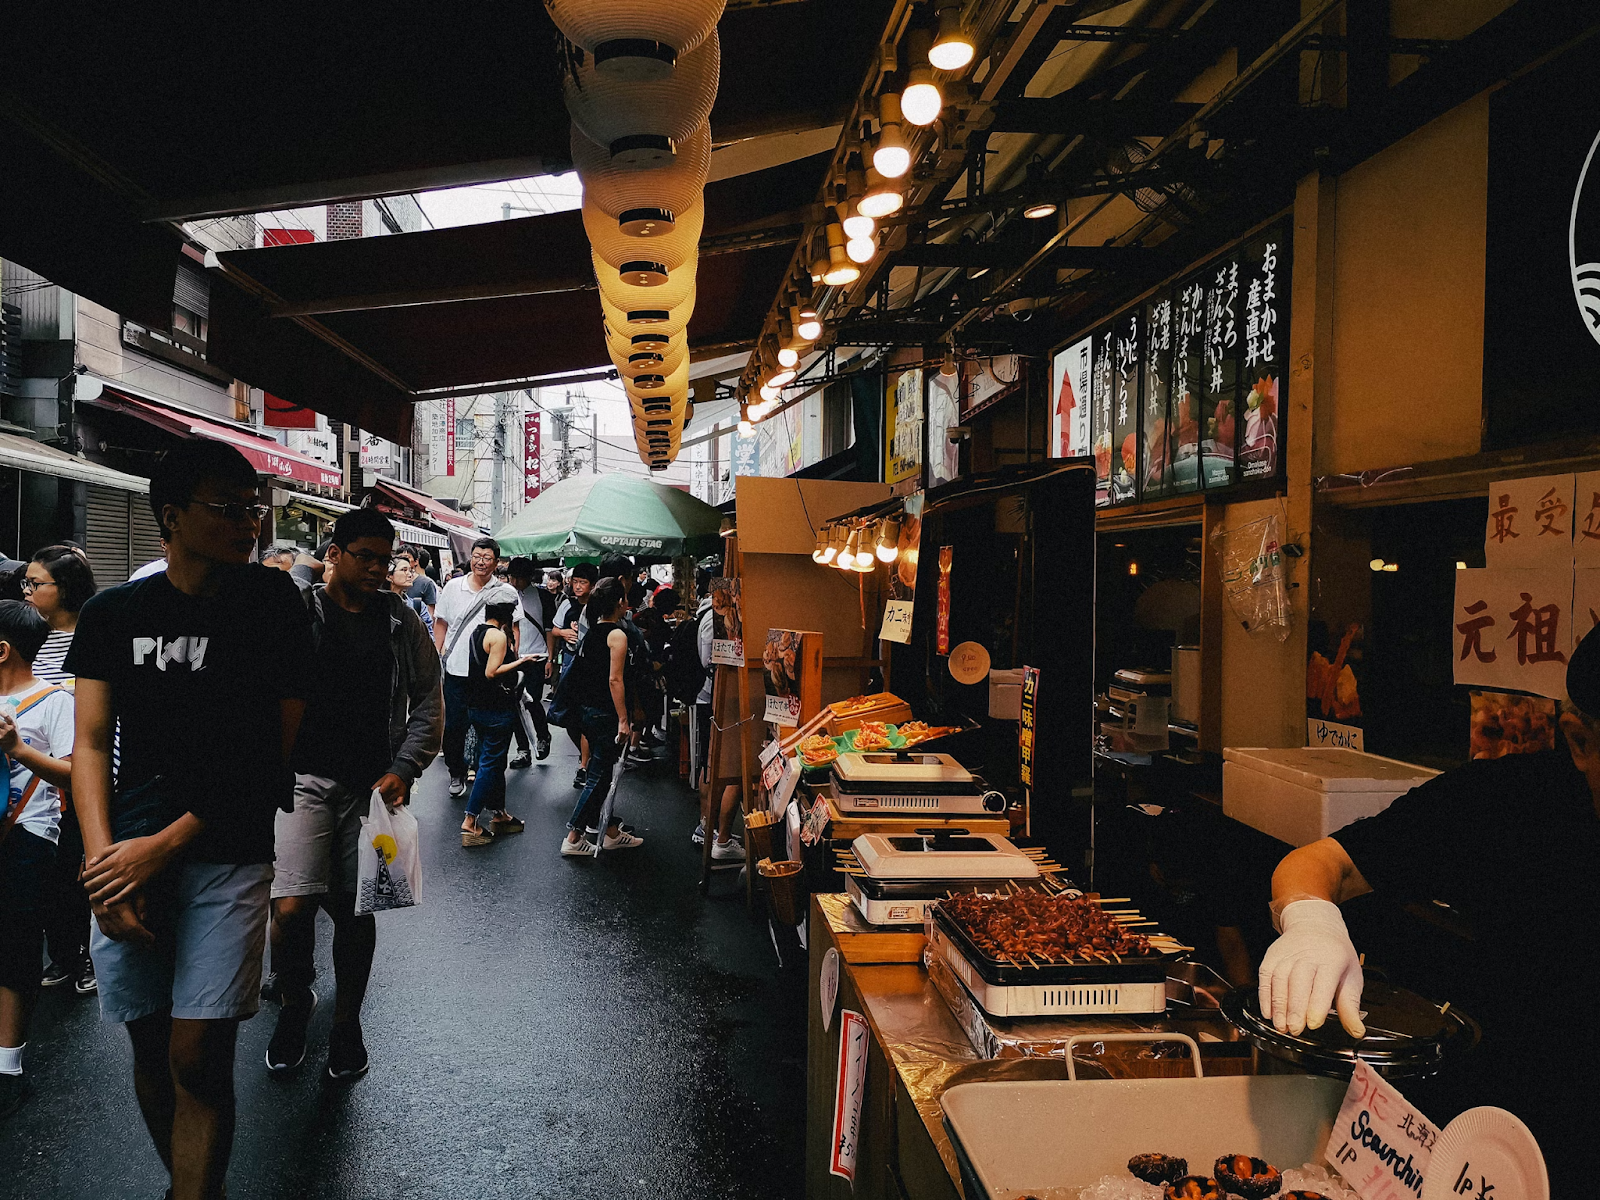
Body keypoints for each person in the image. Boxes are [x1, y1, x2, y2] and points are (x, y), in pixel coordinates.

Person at [1258, 632, 1600, 1194]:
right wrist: (1311, 921)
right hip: (1493, 1150)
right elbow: (1323, 863)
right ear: (1580, 742)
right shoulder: (1509, 802)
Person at [67, 438, 314, 1200]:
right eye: (229, 509)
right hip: (128, 853)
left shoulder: (273, 605)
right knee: (149, 1046)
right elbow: (88, 742)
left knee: (197, 1054)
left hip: (225, 851)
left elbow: (273, 750)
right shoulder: (114, 613)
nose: (249, 523)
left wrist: (162, 848)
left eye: (254, 509)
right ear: (171, 517)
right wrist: (106, 864)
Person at [266, 507, 441, 1078]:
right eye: (364, 556)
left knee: (356, 908)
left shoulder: (399, 621)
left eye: (384, 559)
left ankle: (347, 1023)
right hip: (302, 780)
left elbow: (430, 703)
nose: (377, 569)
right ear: (333, 553)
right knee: (290, 908)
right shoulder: (299, 610)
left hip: (372, 791)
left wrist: (406, 767)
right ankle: (295, 1000)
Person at [0, 600, 76, 1118]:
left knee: (15, 947)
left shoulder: (55, 702)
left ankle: (8, 1066)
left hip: (28, 836)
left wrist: (19, 750)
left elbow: (78, 774)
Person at [25, 545, 99, 996]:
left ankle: (90, 953)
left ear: (65, 588)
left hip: (83, 772)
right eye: (26, 584)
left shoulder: (94, 634)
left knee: (83, 866)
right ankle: (63, 954)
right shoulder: (25, 637)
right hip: (32, 776)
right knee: (52, 875)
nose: (28, 592)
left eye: (37, 584)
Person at [434, 537, 522, 798]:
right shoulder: (453, 587)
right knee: (455, 724)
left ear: (496, 562)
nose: (480, 562)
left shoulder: (505, 592)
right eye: (476, 556)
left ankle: (483, 770)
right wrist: (440, 653)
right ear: (470, 558)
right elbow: (442, 622)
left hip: (489, 673)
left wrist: (512, 659)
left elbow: (515, 628)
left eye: (487, 558)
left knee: (487, 724)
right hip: (457, 669)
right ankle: (456, 771)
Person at [561, 578, 644, 856]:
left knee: (603, 773)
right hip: (605, 713)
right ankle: (574, 835)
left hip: (587, 711)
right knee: (599, 776)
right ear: (620, 603)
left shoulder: (592, 632)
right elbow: (615, 680)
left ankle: (608, 831)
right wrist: (623, 719)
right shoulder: (617, 635)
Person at [460, 588, 535, 847]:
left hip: (477, 707)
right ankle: (470, 821)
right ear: (506, 615)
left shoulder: (477, 632)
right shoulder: (498, 636)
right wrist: (522, 661)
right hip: (495, 708)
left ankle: (499, 813)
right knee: (490, 764)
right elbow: (493, 672)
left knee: (494, 761)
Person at [552, 563, 598, 789]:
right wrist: (563, 632)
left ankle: (584, 766)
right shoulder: (567, 604)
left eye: (583, 582)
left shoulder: (598, 606)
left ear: (593, 585)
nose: (578, 586)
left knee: (585, 715)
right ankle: (586, 757)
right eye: (575, 582)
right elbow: (553, 630)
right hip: (569, 662)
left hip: (591, 665)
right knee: (569, 715)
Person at [505, 557, 552, 767]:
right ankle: (523, 750)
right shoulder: (505, 596)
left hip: (538, 656)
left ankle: (543, 736)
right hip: (514, 658)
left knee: (532, 701)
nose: (515, 582)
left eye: (519, 578)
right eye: (512, 577)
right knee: (515, 705)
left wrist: (551, 659)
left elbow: (550, 630)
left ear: (529, 577)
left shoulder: (543, 596)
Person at [386, 554, 434, 636]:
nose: (409, 574)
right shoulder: (376, 604)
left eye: (411, 570)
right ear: (389, 576)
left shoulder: (418, 605)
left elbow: (428, 638)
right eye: (404, 570)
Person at [395, 545, 437, 620]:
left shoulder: (426, 583)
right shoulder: (388, 582)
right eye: (400, 558)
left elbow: (430, 614)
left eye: (407, 557)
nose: (403, 561)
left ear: (416, 561)